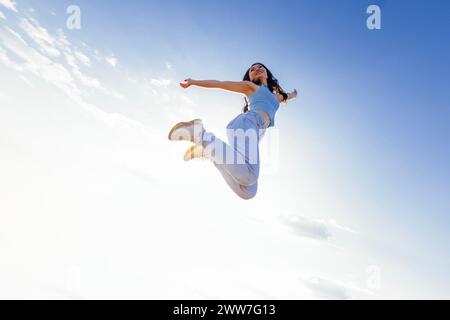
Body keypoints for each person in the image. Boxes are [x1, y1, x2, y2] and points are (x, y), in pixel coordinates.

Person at [168, 63, 298, 200]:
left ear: (267, 72)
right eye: (252, 70)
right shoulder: (250, 87)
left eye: (260, 67)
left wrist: (294, 94)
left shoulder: (277, 97)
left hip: (252, 132)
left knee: (248, 191)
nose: (256, 69)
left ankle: (210, 152)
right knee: (250, 176)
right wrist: (194, 82)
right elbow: (219, 84)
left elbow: (288, 96)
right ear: (250, 77)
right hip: (247, 124)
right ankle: (198, 132)